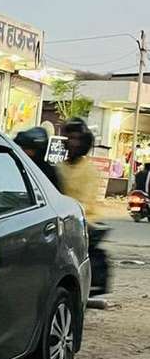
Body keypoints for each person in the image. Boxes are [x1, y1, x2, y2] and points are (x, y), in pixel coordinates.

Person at [59, 117, 110, 296]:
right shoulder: (59, 167)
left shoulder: (89, 171)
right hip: (61, 221)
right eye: (69, 138)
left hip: (83, 223)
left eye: (76, 139)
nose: (72, 143)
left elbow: (85, 203)